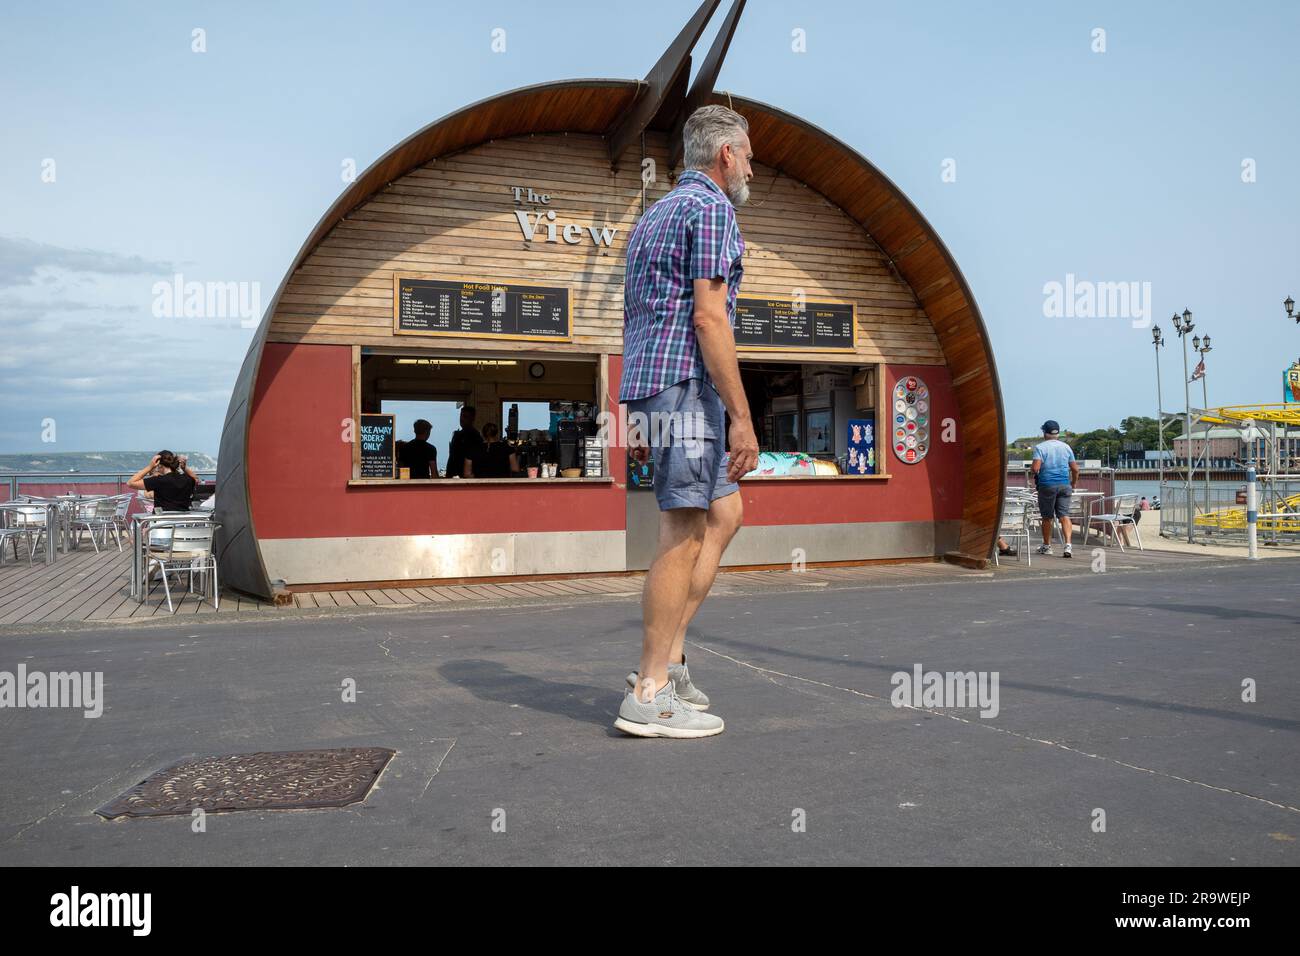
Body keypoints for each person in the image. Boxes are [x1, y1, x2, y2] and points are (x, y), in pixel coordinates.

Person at [614, 104, 759, 739]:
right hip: (683, 387)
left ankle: (669, 660)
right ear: (725, 154)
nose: (753, 166)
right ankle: (648, 691)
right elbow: (709, 318)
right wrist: (742, 418)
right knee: (683, 529)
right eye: (749, 154)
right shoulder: (713, 209)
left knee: (725, 514)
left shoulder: (653, 217)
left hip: (651, 384)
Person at [1031, 420, 1079, 557]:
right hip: (1065, 485)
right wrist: (1073, 483)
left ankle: (1047, 547)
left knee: (1047, 517)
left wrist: (1033, 470)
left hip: (1047, 486)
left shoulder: (1040, 448)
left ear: (1044, 432)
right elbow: (1075, 469)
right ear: (1058, 433)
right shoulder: (1066, 447)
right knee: (1064, 515)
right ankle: (1068, 545)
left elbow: (1035, 468)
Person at [128, 451, 198, 512]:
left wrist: (150, 467)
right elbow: (195, 479)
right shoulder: (188, 480)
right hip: (181, 523)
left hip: (161, 523)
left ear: (159, 465)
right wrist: (184, 468)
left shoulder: (158, 480)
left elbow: (130, 483)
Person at [446, 406, 485, 479]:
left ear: (472, 418)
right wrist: (448, 475)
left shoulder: (475, 437)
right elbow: (452, 457)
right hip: (455, 475)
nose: (462, 419)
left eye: (465, 416)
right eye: (461, 415)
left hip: (468, 476)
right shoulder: (457, 435)